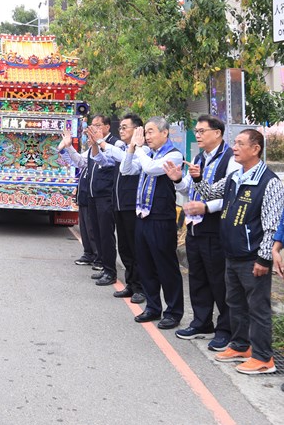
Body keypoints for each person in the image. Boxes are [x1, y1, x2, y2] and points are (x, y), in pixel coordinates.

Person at [167, 129, 284, 374]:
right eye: (235, 143)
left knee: (258, 308)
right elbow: (210, 193)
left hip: (253, 257)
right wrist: (196, 179)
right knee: (235, 303)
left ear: (256, 149)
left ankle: (264, 358)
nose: (235, 148)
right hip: (231, 253)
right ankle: (242, 346)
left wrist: (264, 258)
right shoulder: (235, 176)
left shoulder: (269, 182)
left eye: (241, 144)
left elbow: (272, 225)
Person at [168, 115, 238, 352]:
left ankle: (225, 329)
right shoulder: (199, 157)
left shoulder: (230, 159)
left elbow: (230, 195)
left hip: (215, 226)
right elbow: (189, 187)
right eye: (196, 131)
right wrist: (178, 179)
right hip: (195, 225)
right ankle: (201, 322)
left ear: (217, 133)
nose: (197, 135)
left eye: (201, 131)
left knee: (219, 279)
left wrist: (207, 207)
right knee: (198, 276)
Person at [120, 117, 184, 330]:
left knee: (166, 266)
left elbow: (150, 169)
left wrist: (139, 148)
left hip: (161, 219)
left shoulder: (173, 154)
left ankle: (173, 311)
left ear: (165, 133)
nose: (147, 137)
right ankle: (153, 307)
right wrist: (132, 146)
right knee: (145, 265)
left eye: (150, 132)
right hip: (143, 217)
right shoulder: (147, 153)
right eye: (145, 133)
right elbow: (126, 169)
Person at [92, 113, 146, 304]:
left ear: (138, 129)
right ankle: (131, 284)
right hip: (119, 204)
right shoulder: (121, 147)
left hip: (132, 205)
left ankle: (141, 287)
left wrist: (103, 143)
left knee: (135, 247)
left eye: (125, 127)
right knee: (124, 248)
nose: (121, 130)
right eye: (120, 127)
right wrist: (95, 145)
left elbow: (125, 161)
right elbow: (104, 161)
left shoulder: (143, 150)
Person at [82, 115, 121, 286]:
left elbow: (107, 163)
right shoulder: (93, 145)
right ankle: (104, 266)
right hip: (93, 195)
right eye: (92, 125)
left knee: (106, 234)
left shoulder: (115, 144)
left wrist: (99, 144)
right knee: (96, 233)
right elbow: (81, 161)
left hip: (106, 196)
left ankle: (111, 271)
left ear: (107, 127)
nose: (94, 128)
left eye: (97, 125)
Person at [57, 122, 98, 269]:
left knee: (94, 228)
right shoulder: (89, 151)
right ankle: (89, 253)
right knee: (85, 228)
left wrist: (68, 147)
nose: (89, 133)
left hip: (96, 195)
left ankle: (98, 257)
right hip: (84, 194)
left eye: (96, 126)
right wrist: (63, 147)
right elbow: (77, 161)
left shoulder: (106, 149)